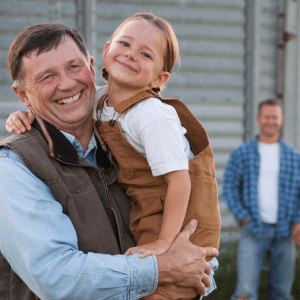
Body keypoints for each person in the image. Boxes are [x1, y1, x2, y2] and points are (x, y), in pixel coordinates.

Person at [0, 23, 219, 300]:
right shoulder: (14, 166)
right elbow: (55, 277)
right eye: (47, 77)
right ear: (22, 95)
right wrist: (160, 270)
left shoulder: (131, 130)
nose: (67, 84)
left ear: (92, 68)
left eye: (74, 67)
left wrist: (189, 270)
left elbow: (198, 250)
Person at [223, 98, 300, 300]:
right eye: (266, 117)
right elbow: (229, 187)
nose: (270, 121)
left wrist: (299, 221)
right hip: (253, 229)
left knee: (282, 293)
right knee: (245, 293)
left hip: (285, 231)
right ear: (258, 118)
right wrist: (242, 215)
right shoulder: (242, 153)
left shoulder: (294, 157)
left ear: (281, 119)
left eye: (274, 117)